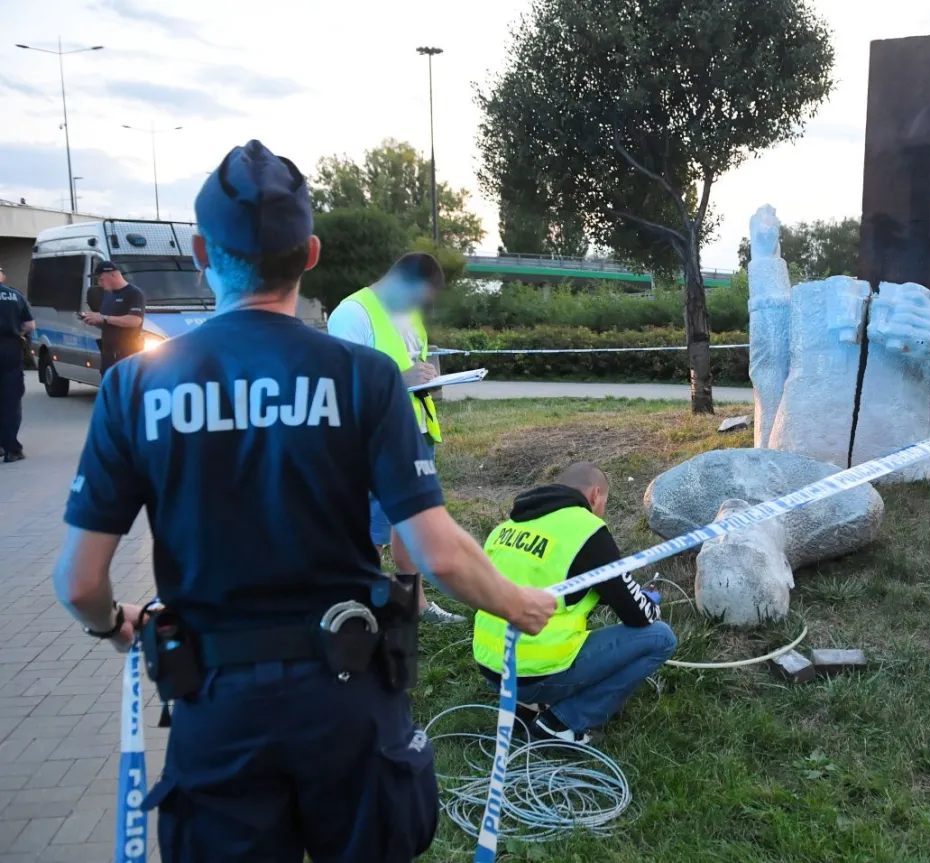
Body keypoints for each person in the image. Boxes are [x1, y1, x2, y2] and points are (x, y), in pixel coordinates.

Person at [51, 139, 557, 862]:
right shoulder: (365, 376)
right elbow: (437, 548)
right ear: (311, 253)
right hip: (346, 700)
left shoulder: (136, 388)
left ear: (201, 250)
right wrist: (517, 602)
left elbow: (78, 581)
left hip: (216, 712)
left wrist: (114, 624)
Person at [475, 462, 677, 744]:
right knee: (660, 638)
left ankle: (525, 705)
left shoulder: (506, 528)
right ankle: (564, 722)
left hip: (491, 667)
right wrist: (650, 602)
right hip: (535, 672)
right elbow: (637, 616)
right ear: (595, 495)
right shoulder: (586, 531)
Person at [326, 253, 463, 624]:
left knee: (412, 522)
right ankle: (362, 608)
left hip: (414, 431)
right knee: (369, 527)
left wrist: (427, 375)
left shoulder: (408, 314)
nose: (420, 306)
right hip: (371, 437)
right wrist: (401, 380)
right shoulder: (352, 314)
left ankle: (413, 605)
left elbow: (409, 363)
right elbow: (339, 383)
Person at [80, 261, 146, 373]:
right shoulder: (107, 295)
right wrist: (95, 321)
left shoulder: (134, 294)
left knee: (125, 389)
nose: (99, 284)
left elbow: (135, 320)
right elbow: (110, 322)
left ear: (113, 274)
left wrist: (104, 318)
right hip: (108, 356)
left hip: (127, 356)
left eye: (101, 279)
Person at [0, 265, 35, 463]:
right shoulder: (15, 296)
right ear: (2, 277)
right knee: (11, 400)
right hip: (10, 350)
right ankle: (12, 449)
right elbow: (30, 325)